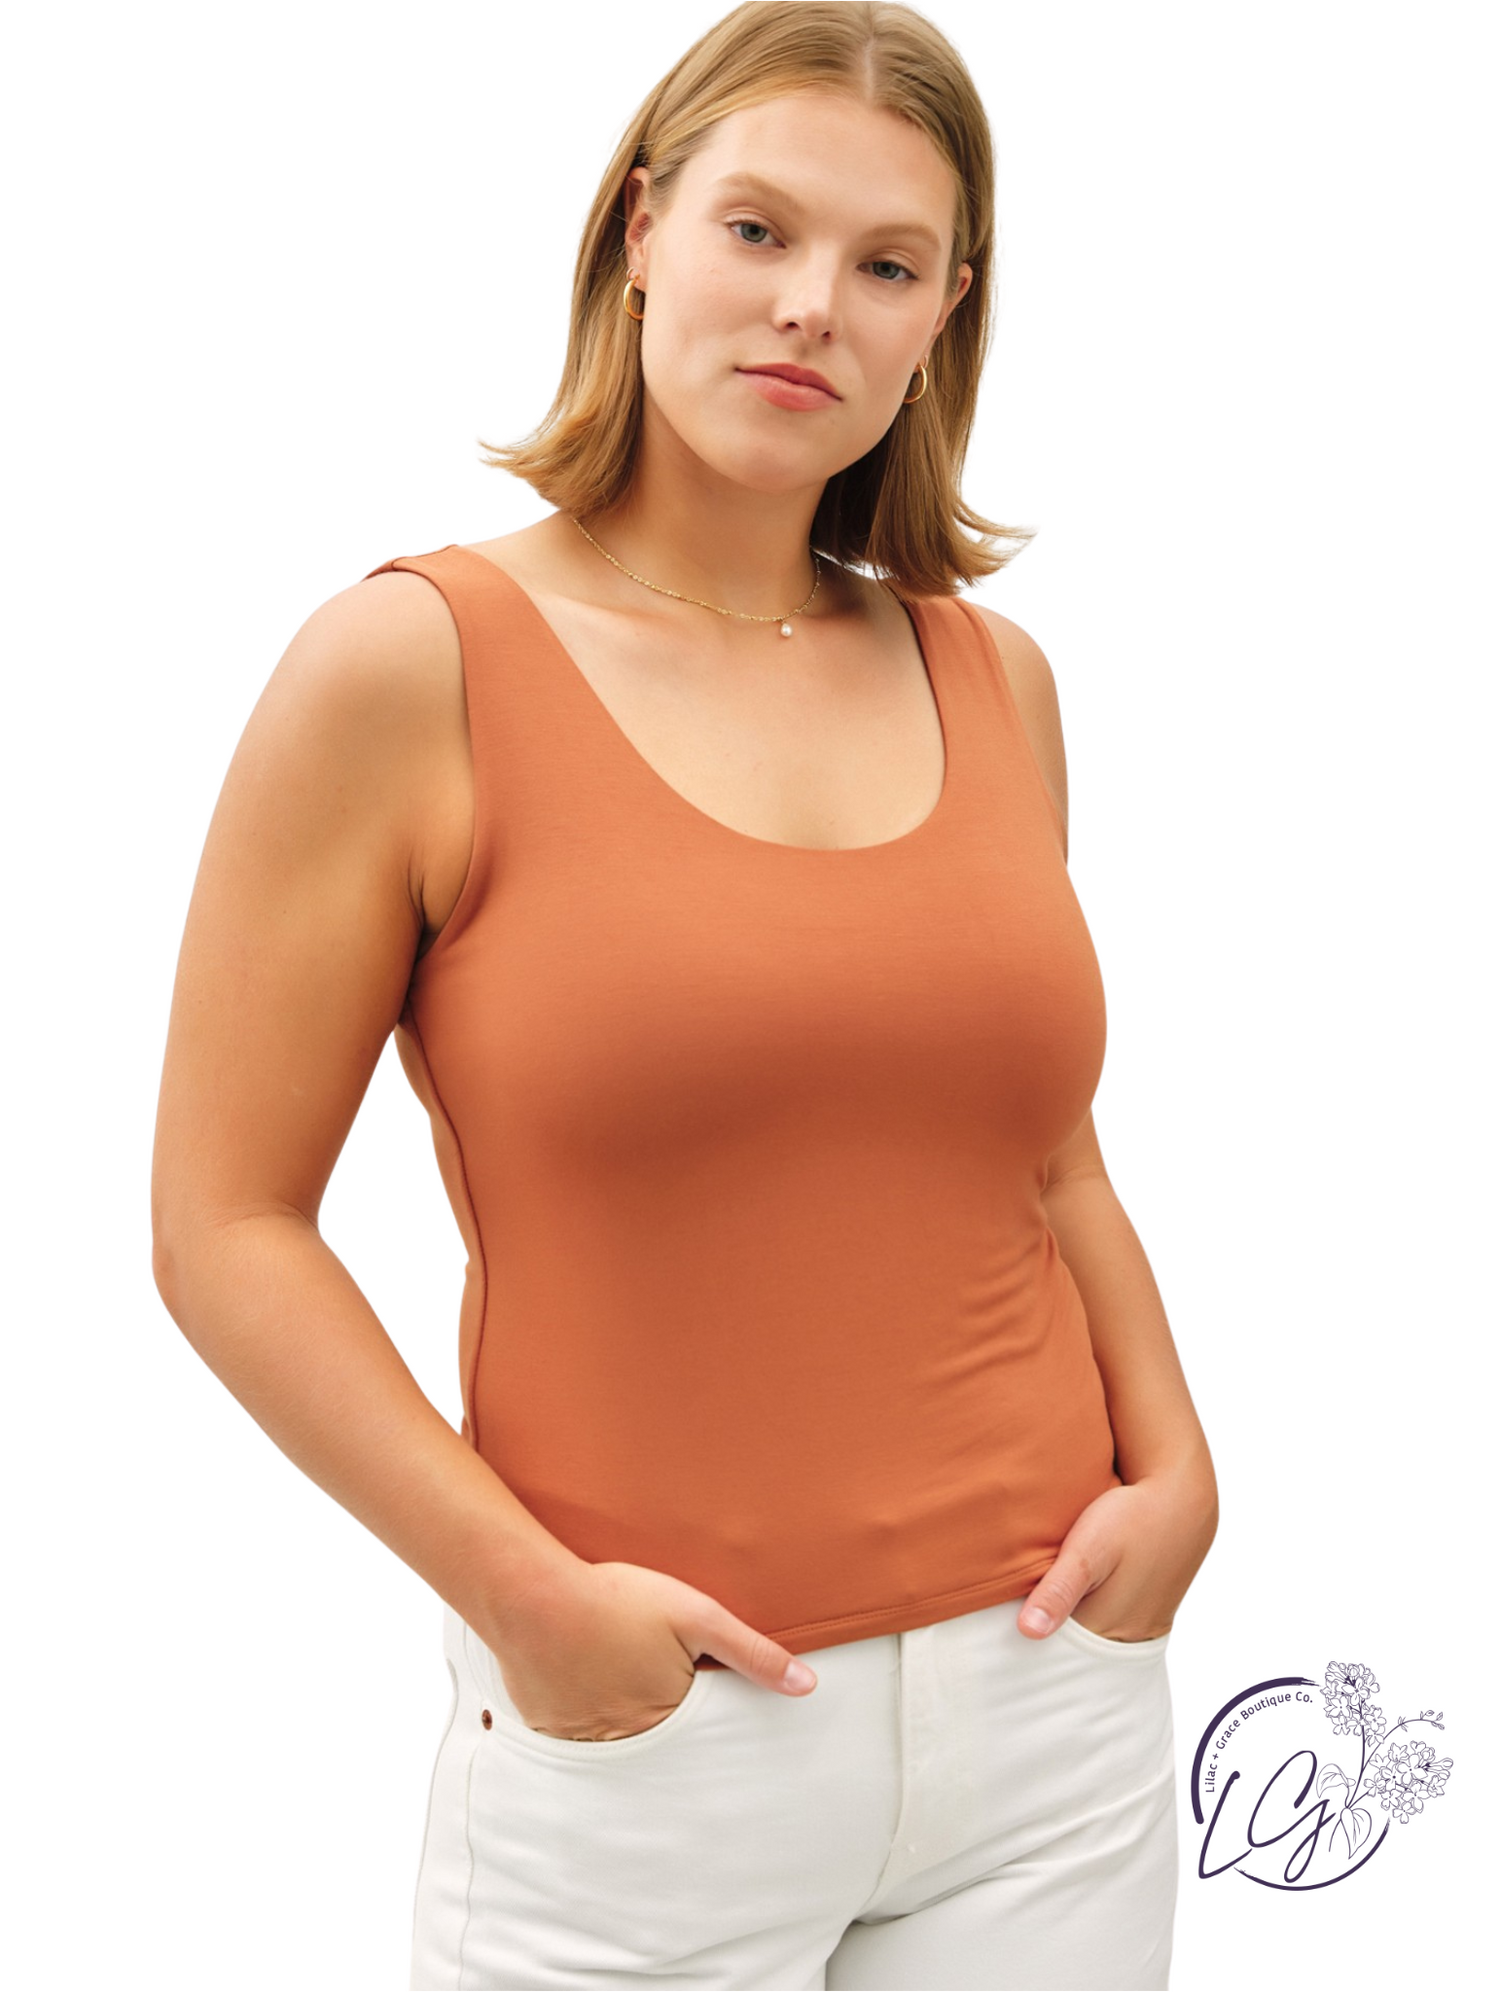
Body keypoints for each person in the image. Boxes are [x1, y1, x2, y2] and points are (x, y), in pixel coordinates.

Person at [150, 3, 1218, 1986]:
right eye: (757, 229)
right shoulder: (409, 666)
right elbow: (225, 1227)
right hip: (654, 1743)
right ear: (640, 232)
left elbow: (1044, 1154)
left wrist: (1180, 1471)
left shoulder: (996, 679)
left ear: (944, 317)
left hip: (1053, 1713)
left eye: (886, 264)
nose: (812, 303)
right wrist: (526, 1601)